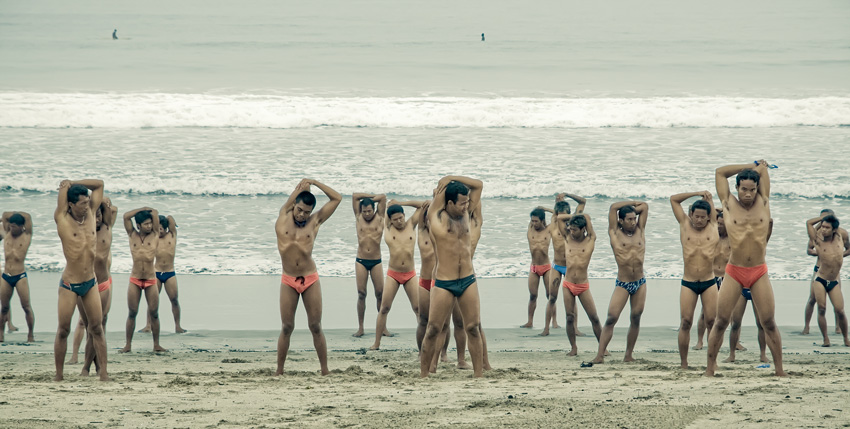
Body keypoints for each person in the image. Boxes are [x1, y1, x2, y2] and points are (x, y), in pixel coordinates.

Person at [705, 161, 785, 377]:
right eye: (743, 189)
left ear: (757, 188)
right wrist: (751, 165)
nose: (748, 194)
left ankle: (779, 370)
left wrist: (760, 168)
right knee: (721, 321)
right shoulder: (728, 203)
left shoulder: (764, 201)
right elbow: (720, 172)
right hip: (734, 271)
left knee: (768, 321)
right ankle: (710, 369)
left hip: (759, 271)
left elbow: (764, 171)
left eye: (752, 189)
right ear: (737, 188)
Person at [420, 176, 485, 378]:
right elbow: (438, 198)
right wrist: (444, 184)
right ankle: (424, 375)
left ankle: (478, 375)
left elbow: (479, 185)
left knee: (473, 327)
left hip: (467, 279)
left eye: (467, 202)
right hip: (444, 283)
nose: (467, 206)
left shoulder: (466, 214)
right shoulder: (436, 217)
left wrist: (451, 177)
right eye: (462, 202)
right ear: (449, 203)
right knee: (433, 329)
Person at [275, 179, 341, 375]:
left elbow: (337, 198)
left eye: (307, 212)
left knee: (315, 326)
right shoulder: (283, 215)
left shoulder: (315, 221)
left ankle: (324, 370)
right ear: (294, 205)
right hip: (288, 279)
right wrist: (304, 186)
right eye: (300, 210)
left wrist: (315, 182)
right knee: (287, 327)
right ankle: (279, 371)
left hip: (310, 278)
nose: (302, 215)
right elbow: (299, 191)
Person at [53, 179, 109, 381]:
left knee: (97, 328)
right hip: (69, 284)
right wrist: (65, 186)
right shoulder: (62, 218)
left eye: (88, 202)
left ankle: (103, 373)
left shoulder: (92, 214)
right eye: (83, 203)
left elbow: (99, 184)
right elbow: (62, 198)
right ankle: (59, 375)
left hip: (90, 282)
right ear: (71, 205)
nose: (87, 205)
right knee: (63, 330)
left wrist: (75, 182)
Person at [591, 201, 649, 364]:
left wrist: (632, 209)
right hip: (623, 283)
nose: (633, 222)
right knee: (611, 318)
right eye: (629, 219)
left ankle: (628, 355)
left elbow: (644, 206)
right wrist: (629, 204)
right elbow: (613, 208)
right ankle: (600, 355)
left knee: (635, 317)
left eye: (634, 218)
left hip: (640, 282)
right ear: (620, 221)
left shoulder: (640, 230)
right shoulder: (614, 232)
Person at [670, 191, 718, 369]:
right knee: (686, 322)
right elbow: (673, 200)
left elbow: (714, 213)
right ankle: (684, 363)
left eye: (702, 217)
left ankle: (711, 362)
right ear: (691, 214)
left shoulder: (713, 226)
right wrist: (697, 193)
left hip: (709, 282)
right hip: (688, 282)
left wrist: (710, 200)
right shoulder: (684, 225)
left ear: (708, 217)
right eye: (696, 216)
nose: (698, 220)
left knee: (712, 322)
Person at [69, 198, 117, 371]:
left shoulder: (107, 229)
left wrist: (103, 204)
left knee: (99, 326)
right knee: (90, 326)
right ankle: (89, 366)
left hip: (103, 284)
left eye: (99, 216)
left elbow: (114, 210)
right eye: (93, 216)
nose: (96, 220)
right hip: (87, 284)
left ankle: (92, 367)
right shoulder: (82, 230)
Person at [370, 200, 425, 350]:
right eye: (395, 219)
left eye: (401, 218)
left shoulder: (411, 224)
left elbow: (422, 205)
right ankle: (377, 343)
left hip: (410, 274)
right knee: (385, 308)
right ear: (391, 220)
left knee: (418, 309)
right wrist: (388, 207)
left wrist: (402, 202)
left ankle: (424, 344)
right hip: (393, 274)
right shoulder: (387, 227)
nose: (399, 221)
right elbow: (383, 209)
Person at [724, 216, 773, 363]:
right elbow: (729, 222)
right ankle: (732, 354)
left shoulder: (760, 244)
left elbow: (769, 222)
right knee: (736, 323)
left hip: (757, 284)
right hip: (740, 286)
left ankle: (763, 354)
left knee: (761, 323)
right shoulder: (736, 243)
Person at [119, 207, 166, 353]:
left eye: (150, 223)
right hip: (135, 279)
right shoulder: (132, 234)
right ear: (138, 225)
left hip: (151, 279)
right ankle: (128, 345)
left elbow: (156, 213)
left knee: (154, 313)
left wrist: (150, 210)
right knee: (132, 312)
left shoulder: (155, 235)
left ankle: (156, 344)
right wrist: (142, 209)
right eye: (146, 224)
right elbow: (126, 216)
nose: (149, 226)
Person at [554, 213, 602, 355]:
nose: (571, 231)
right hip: (568, 283)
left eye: (575, 229)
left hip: (582, 285)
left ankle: (602, 347)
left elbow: (587, 216)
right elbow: (559, 218)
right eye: (570, 228)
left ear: (583, 229)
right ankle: (573, 348)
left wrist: (582, 216)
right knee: (569, 317)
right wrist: (573, 216)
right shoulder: (567, 238)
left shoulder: (590, 240)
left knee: (594, 317)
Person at [540, 193, 586, 336]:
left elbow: (583, 202)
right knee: (552, 298)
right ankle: (546, 328)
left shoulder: (573, 225)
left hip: (571, 267)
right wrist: (553, 206)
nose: (563, 220)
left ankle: (575, 328)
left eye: (565, 216)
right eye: (560, 216)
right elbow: (556, 214)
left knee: (574, 298)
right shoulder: (554, 225)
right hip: (557, 265)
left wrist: (567, 194)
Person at [806, 213, 850, 346]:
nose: (823, 229)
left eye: (826, 227)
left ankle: (846, 338)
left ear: (834, 230)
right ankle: (825, 339)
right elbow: (809, 223)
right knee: (821, 308)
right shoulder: (818, 238)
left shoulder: (841, 236)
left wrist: (838, 256)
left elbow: (849, 248)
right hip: (820, 279)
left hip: (834, 280)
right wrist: (822, 218)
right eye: (822, 226)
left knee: (840, 311)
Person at [139, 214, 185, 333]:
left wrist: (164, 220)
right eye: (157, 228)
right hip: (156, 273)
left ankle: (178, 326)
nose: (159, 231)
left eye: (161, 228)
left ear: (165, 228)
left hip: (170, 273)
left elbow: (171, 219)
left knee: (174, 299)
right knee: (152, 301)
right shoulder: (154, 238)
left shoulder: (172, 235)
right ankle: (148, 325)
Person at [352, 193, 387, 338]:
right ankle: (361, 328)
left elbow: (383, 197)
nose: (367, 214)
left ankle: (383, 327)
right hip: (361, 260)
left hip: (376, 261)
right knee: (362, 293)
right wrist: (365, 201)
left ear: (374, 209)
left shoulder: (380, 217)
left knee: (380, 294)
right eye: (364, 211)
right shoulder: (358, 217)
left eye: (369, 210)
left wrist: (370, 200)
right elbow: (354, 196)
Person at [0, 211, 35, 342]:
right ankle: (1, 334)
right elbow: (4, 214)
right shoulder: (6, 233)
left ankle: (30, 335)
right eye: (11, 225)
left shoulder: (27, 235)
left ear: (22, 226)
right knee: (3, 308)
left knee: (26, 306)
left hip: (20, 276)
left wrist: (18, 214)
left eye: (15, 226)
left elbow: (28, 216)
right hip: (6, 276)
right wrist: (12, 217)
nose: (12, 228)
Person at [522, 208, 554, 329]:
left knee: (550, 296)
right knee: (533, 295)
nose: (534, 223)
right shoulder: (530, 230)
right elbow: (532, 219)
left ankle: (554, 322)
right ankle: (530, 321)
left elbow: (556, 216)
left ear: (542, 221)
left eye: (536, 221)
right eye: (532, 221)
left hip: (546, 267)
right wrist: (536, 211)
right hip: (534, 268)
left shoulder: (548, 230)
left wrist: (545, 208)